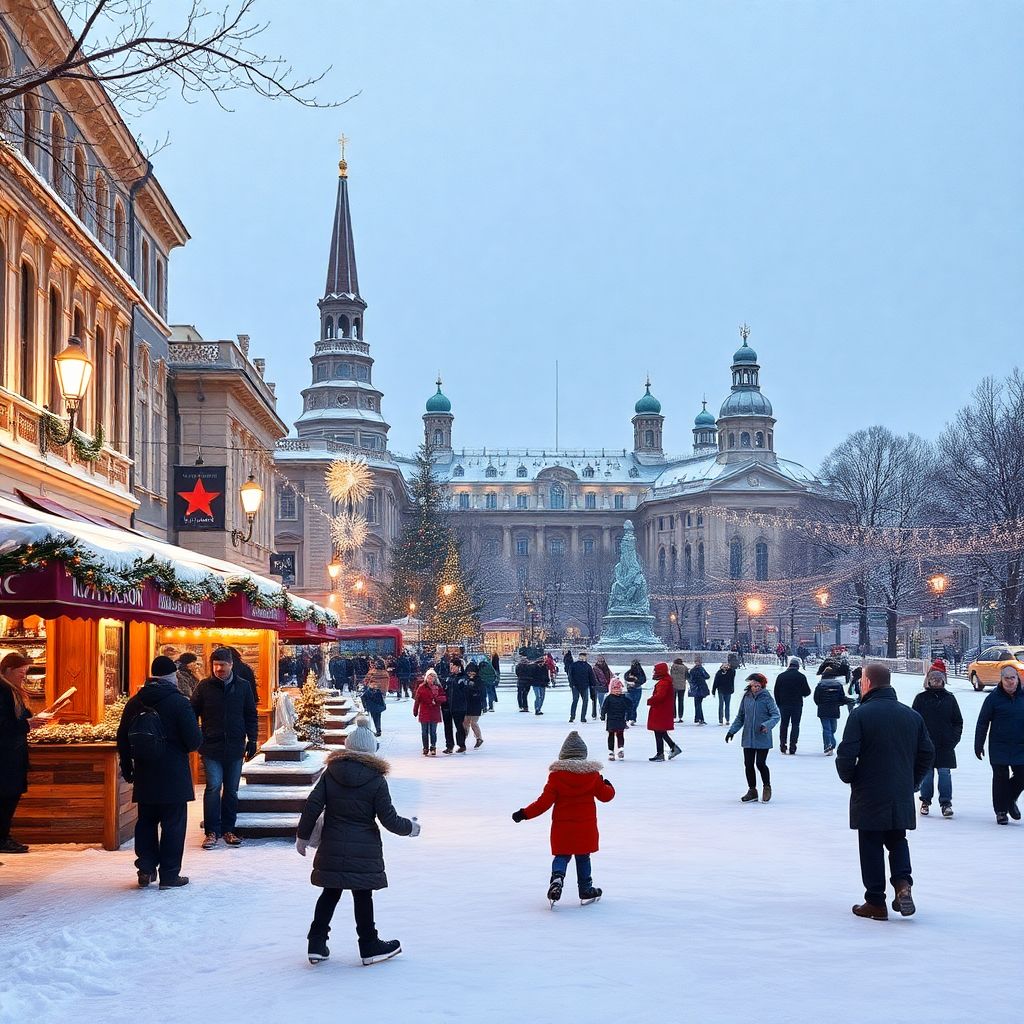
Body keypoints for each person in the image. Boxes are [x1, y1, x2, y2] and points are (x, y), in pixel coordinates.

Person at [296, 716, 420, 965]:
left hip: (332, 843)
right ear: (371, 749)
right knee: (362, 895)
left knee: (330, 892)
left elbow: (312, 805)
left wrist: (303, 836)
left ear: (348, 746)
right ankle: (369, 945)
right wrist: (412, 828)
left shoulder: (331, 772)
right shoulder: (376, 779)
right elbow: (389, 819)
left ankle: (316, 943)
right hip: (364, 849)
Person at [836, 663, 934, 920]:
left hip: (869, 791)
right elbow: (928, 752)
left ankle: (875, 902)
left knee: (870, 843)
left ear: (867, 683)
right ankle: (903, 884)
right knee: (897, 839)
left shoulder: (860, 714)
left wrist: (850, 777)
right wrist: (912, 781)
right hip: (899, 790)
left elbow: (846, 754)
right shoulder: (911, 715)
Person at [116, 656, 203, 889]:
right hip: (173, 772)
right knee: (173, 824)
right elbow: (194, 741)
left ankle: (145, 868)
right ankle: (169, 875)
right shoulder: (179, 702)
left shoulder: (135, 702)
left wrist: (127, 767)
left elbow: (122, 737)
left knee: (146, 821)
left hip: (145, 771)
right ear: (173, 677)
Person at [511, 731, 615, 905]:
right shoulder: (592, 776)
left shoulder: (556, 777)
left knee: (562, 856)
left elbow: (543, 803)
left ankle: (557, 879)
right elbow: (606, 796)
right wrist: (608, 785)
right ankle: (585, 889)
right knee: (583, 858)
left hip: (562, 828)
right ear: (584, 755)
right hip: (585, 828)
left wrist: (524, 813)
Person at [191, 647, 259, 850]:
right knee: (213, 787)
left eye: (222, 665)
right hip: (211, 746)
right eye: (216, 665)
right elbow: (191, 713)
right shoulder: (204, 687)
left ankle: (229, 829)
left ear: (231, 665)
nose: (219, 669)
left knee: (231, 790)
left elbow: (250, 714)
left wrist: (252, 739)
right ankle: (212, 831)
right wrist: (197, 738)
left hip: (236, 746)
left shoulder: (243, 686)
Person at [0, 653, 54, 854]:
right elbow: (3, 724)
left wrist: (32, 721)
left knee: (10, 797)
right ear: (8, 670)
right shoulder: (3, 690)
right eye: (22, 673)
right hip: (6, 756)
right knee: (6, 798)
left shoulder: (13, 691)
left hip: (13, 754)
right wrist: (27, 724)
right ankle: (2, 838)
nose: (24, 677)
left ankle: (4, 836)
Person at [911, 661, 963, 817]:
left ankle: (946, 803)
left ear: (943, 680)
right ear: (928, 680)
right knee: (927, 774)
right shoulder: (920, 699)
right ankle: (925, 801)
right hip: (926, 744)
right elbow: (913, 721)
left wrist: (953, 739)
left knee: (945, 773)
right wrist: (918, 740)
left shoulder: (950, 698)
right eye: (933, 678)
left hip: (945, 744)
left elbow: (957, 721)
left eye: (939, 678)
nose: (936, 681)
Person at [974, 664, 1024, 825]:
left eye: (1013, 678)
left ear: (1018, 679)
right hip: (999, 745)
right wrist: (978, 744)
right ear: (1001, 680)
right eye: (1006, 678)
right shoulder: (993, 699)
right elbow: (982, 722)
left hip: (1020, 745)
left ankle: (1009, 800)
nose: (1010, 682)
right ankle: (1001, 811)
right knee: (1000, 778)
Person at [725, 672, 781, 803]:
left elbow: (775, 715)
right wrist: (732, 731)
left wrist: (767, 725)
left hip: (762, 735)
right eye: (753, 685)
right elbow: (740, 717)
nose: (755, 688)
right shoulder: (747, 697)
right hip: (748, 737)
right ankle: (752, 791)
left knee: (760, 763)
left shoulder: (767, 698)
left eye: (758, 686)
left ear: (762, 685)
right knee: (748, 764)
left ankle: (767, 787)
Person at [774, 657, 811, 755]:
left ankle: (783, 744)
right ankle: (793, 746)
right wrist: (801, 693)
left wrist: (779, 703)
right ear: (798, 666)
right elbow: (807, 691)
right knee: (795, 725)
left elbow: (776, 691)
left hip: (784, 704)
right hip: (797, 704)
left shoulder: (781, 676)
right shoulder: (801, 677)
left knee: (784, 724)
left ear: (789, 665)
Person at [813, 667, 854, 755]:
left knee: (826, 728)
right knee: (832, 728)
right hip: (834, 709)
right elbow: (841, 697)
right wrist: (846, 702)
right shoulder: (838, 685)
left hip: (823, 709)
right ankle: (830, 744)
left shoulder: (820, 686)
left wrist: (820, 705)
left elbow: (816, 698)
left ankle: (829, 744)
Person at [646, 662, 682, 762]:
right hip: (662, 709)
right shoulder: (666, 681)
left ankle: (661, 753)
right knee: (661, 731)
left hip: (660, 710)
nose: (654, 672)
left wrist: (650, 700)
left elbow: (659, 697)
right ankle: (672, 748)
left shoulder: (663, 683)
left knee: (659, 731)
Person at [413, 668, 446, 756]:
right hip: (424, 711)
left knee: (433, 731)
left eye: (432, 677)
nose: (430, 679)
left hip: (434, 712)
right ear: (426, 678)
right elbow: (417, 700)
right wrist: (415, 710)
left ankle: (433, 746)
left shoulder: (438, 687)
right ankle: (425, 747)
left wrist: (436, 700)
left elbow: (443, 697)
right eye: (429, 677)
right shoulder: (421, 687)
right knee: (424, 731)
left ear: (435, 678)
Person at [442, 657, 469, 753]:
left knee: (459, 726)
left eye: (453, 666)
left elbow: (466, 692)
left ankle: (461, 744)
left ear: (458, 667)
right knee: (447, 727)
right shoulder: (449, 677)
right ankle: (449, 746)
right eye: (450, 666)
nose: (451, 668)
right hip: (447, 706)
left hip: (459, 707)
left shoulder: (463, 678)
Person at [601, 678, 631, 760]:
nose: (617, 690)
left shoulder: (618, 698)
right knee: (615, 735)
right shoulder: (614, 698)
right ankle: (615, 750)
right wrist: (603, 715)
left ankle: (616, 750)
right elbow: (604, 707)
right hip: (615, 719)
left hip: (616, 719)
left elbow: (629, 707)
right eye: (615, 688)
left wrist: (602, 716)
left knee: (616, 735)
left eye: (618, 688)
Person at [568, 650, 596, 724]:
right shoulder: (574, 665)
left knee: (585, 701)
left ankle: (583, 717)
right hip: (576, 686)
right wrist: (572, 684)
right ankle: (572, 716)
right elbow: (570, 675)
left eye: (584, 656)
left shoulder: (588, 666)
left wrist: (593, 685)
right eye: (581, 656)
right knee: (575, 700)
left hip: (585, 686)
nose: (583, 658)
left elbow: (591, 677)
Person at [360, 663, 387, 737]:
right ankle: (378, 729)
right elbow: (386, 683)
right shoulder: (385, 673)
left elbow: (366, 680)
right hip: (381, 693)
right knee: (378, 713)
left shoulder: (372, 672)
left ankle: (372, 729)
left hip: (372, 692)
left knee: (373, 713)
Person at [464, 663, 485, 749]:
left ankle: (479, 738)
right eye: (469, 673)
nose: (471, 674)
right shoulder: (465, 680)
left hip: (476, 705)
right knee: (465, 723)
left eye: (473, 672)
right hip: (466, 705)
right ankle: (462, 739)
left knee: (473, 722)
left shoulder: (479, 681)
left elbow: (482, 693)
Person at [711, 659, 735, 726]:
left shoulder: (731, 672)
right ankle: (720, 720)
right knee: (721, 705)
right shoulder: (719, 673)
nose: (725, 667)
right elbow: (715, 682)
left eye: (726, 666)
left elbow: (733, 673)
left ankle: (727, 719)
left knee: (727, 705)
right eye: (723, 666)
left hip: (728, 691)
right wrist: (713, 690)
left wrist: (730, 668)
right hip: (721, 691)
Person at [688, 656, 710, 725]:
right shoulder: (701, 669)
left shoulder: (693, 670)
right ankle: (700, 718)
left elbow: (690, 679)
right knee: (698, 704)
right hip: (701, 688)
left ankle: (698, 718)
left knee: (697, 704)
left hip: (696, 688)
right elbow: (707, 676)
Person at [624, 659, 646, 725]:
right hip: (632, 689)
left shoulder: (639, 672)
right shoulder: (630, 672)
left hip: (636, 689)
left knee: (633, 704)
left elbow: (643, 680)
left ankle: (631, 718)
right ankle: (630, 718)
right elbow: (626, 677)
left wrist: (635, 682)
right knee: (631, 704)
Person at [670, 657, 689, 723]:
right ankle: (680, 716)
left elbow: (671, 675)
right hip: (682, 687)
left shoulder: (672, 667)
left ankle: (673, 716)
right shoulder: (685, 668)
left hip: (673, 686)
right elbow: (687, 676)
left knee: (673, 701)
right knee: (681, 701)